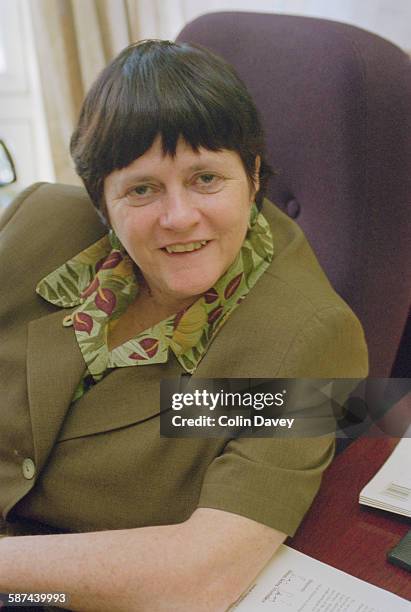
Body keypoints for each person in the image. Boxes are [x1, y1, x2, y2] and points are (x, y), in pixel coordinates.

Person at [0, 40, 368, 611]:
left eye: (205, 179)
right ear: (102, 200)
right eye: (141, 189)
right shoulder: (36, 224)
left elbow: (202, 574)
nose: (177, 217)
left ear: (251, 176)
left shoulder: (306, 339)